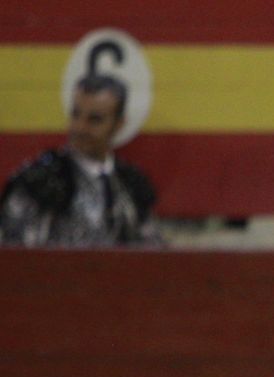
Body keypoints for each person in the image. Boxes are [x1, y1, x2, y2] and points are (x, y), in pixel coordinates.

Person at [1, 74, 161, 248]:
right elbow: (18, 254)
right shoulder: (40, 182)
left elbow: (151, 251)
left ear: (119, 124)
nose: (80, 127)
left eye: (95, 119)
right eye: (76, 115)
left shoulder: (131, 184)